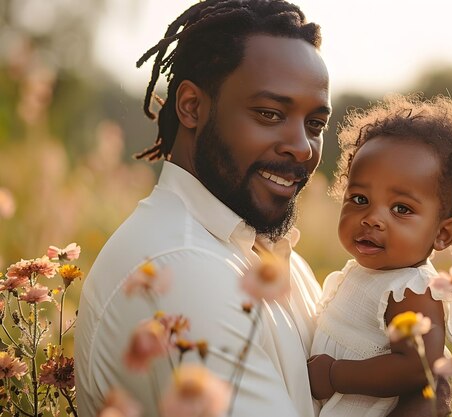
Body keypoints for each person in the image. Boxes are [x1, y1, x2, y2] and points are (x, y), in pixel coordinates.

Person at [74, 1, 331, 416]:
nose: (302, 146)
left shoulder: (268, 254)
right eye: (269, 114)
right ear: (191, 106)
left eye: (315, 124)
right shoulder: (182, 266)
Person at [307, 94, 452, 417]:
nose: (373, 218)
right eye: (360, 198)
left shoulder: (412, 289)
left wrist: (333, 373)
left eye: (401, 208)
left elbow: (416, 368)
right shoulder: (367, 274)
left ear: (442, 233)